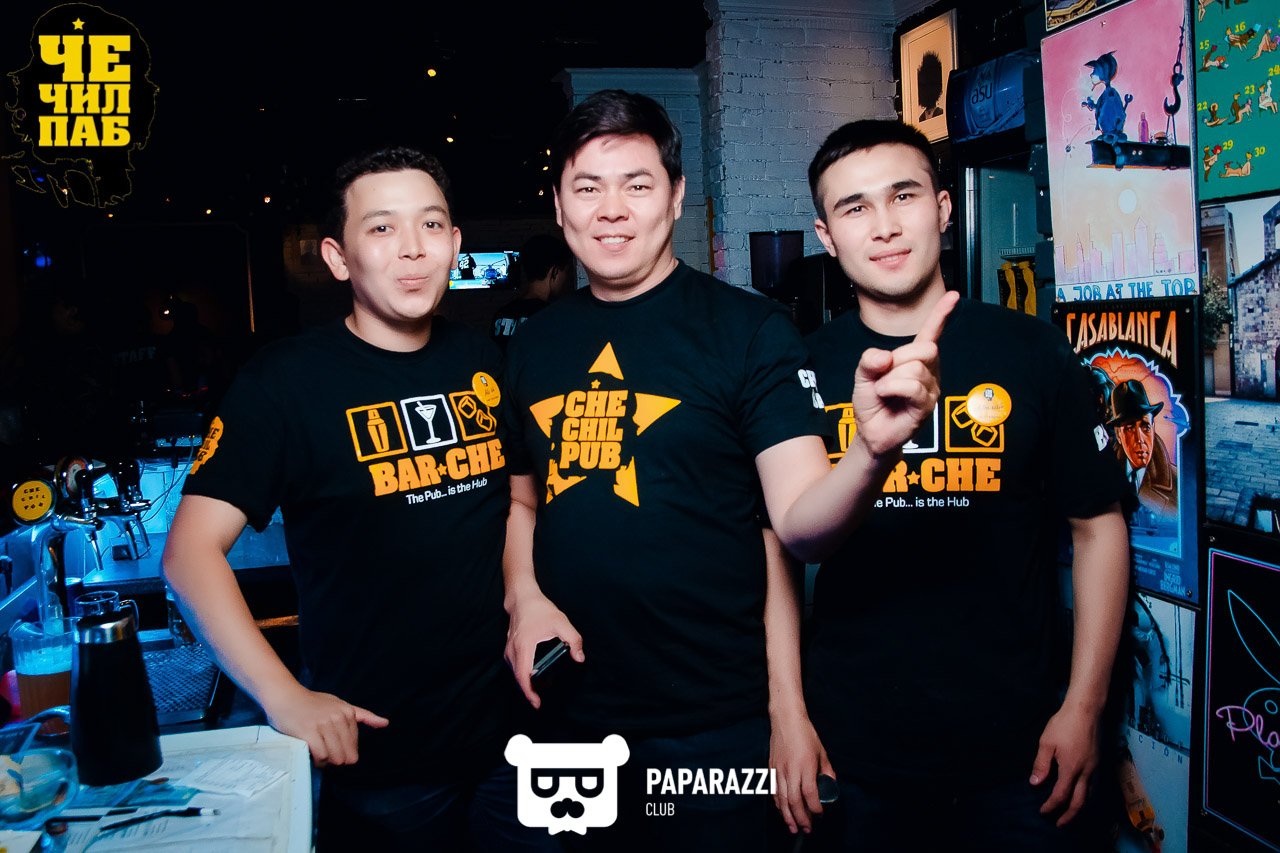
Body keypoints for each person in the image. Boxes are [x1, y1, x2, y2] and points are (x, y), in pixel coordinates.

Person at [500, 91, 953, 851]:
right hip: (568, 716)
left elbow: (797, 527)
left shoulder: (751, 331)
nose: (612, 210)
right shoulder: (531, 344)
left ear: (676, 197)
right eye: (587, 187)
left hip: (714, 726)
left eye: (637, 184)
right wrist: (524, 598)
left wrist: (870, 452)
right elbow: (522, 504)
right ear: (558, 205)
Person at [162, 147, 552, 851]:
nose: (412, 249)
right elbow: (189, 554)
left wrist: (524, 592)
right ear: (339, 259)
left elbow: (518, 496)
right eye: (381, 228)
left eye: (430, 225)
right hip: (380, 761)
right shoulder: (284, 382)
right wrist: (283, 695)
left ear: (455, 244)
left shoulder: (482, 360)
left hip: (510, 737)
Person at [801, 119, 1131, 852]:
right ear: (826, 236)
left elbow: (1098, 526)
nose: (884, 226)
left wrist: (1084, 707)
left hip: (1021, 752)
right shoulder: (802, 366)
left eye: (904, 196)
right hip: (854, 748)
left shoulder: (1031, 348)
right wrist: (788, 716)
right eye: (854, 207)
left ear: (945, 208)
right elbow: (778, 547)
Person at [1109, 379, 1178, 518]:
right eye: (1129, 428)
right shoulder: (1104, 473)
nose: (1139, 439)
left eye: (1145, 427)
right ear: (1118, 434)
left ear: (1153, 427)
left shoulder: (1178, 483)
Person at [492, 234, 574, 347]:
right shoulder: (556, 318)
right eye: (566, 271)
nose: (566, 278)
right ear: (554, 272)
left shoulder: (501, 315)